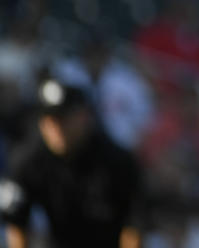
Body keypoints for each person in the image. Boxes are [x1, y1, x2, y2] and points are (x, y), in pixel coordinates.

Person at [0, 79, 144, 248]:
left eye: (64, 118)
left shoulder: (117, 161)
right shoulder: (28, 161)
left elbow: (133, 226)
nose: (56, 127)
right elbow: (16, 224)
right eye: (50, 120)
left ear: (84, 117)